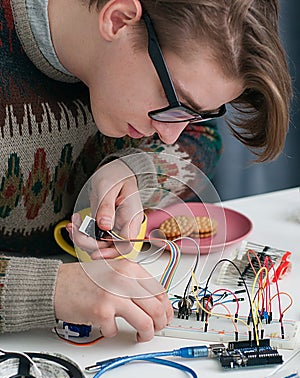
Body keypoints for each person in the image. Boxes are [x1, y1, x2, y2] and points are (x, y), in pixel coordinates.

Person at [0, 0, 292, 341]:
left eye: (195, 113)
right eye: (177, 104)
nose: (169, 135)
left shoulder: (164, 98)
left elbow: (203, 138)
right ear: (119, 19)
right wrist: (55, 290)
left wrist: (136, 170)